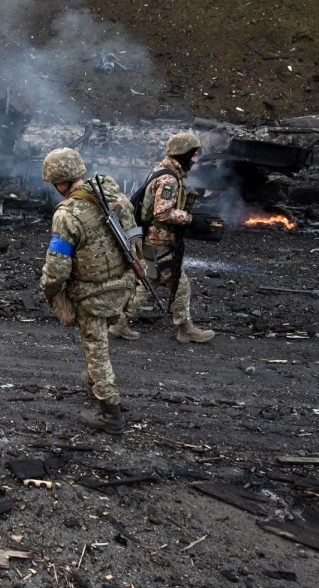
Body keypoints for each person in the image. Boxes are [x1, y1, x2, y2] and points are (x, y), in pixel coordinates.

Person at [39, 147, 137, 435]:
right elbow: (135, 242)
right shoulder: (116, 198)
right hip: (124, 285)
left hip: (92, 294)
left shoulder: (67, 214)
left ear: (60, 182)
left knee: (95, 348)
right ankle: (96, 379)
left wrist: (48, 290)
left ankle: (110, 412)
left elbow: (57, 267)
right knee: (101, 339)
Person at [109, 132, 215, 343]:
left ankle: (119, 322)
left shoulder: (162, 170)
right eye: (193, 155)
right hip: (160, 241)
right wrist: (190, 219)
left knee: (150, 281)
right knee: (179, 283)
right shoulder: (169, 179)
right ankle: (185, 329)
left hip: (151, 239)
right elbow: (162, 213)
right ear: (183, 154)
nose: (195, 160)